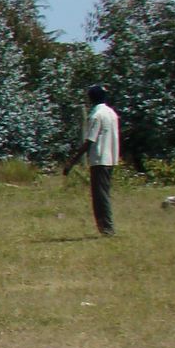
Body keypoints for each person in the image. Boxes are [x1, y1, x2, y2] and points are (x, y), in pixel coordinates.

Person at [62, 84, 120, 236]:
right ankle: (106, 227)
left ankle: (107, 228)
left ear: (91, 98)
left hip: (100, 158)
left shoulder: (96, 115)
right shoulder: (111, 113)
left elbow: (89, 141)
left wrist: (71, 162)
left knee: (100, 196)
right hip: (111, 157)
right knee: (104, 193)